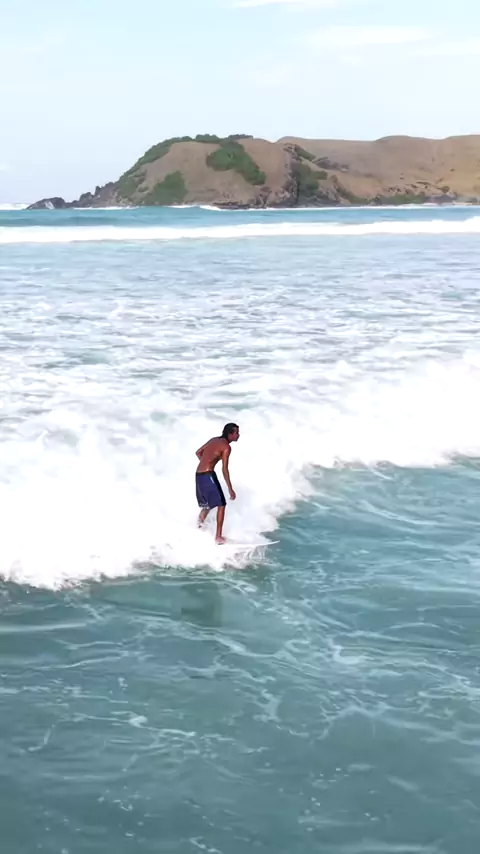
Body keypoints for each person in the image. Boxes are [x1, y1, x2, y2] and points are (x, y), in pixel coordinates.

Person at [195, 423, 240, 544]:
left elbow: (198, 452)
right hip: (208, 475)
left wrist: (206, 462)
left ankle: (198, 527)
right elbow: (224, 469)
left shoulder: (213, 440)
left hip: (199, 474)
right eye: (236, 433)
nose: (238, 435)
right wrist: (230, 489)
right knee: (221, 504)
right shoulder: (226, 447)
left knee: (207, 505)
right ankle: (218, 537)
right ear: (229, 434)